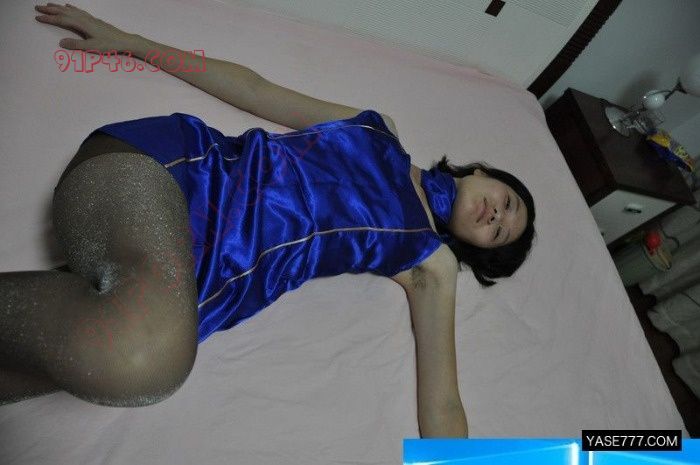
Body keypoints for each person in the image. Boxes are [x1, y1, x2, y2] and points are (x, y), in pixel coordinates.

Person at [0, 3, 535, 438]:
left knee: (111, 360)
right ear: (483, 172)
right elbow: (256, 90)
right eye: (507, 202)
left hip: (178, 288)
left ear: (476, 247)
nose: (496, 215)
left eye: (499, 232)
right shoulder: (378, 130)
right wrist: (132, 42)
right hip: (162, 171)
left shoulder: (431, 263)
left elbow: (444, 404)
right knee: (146, 360)